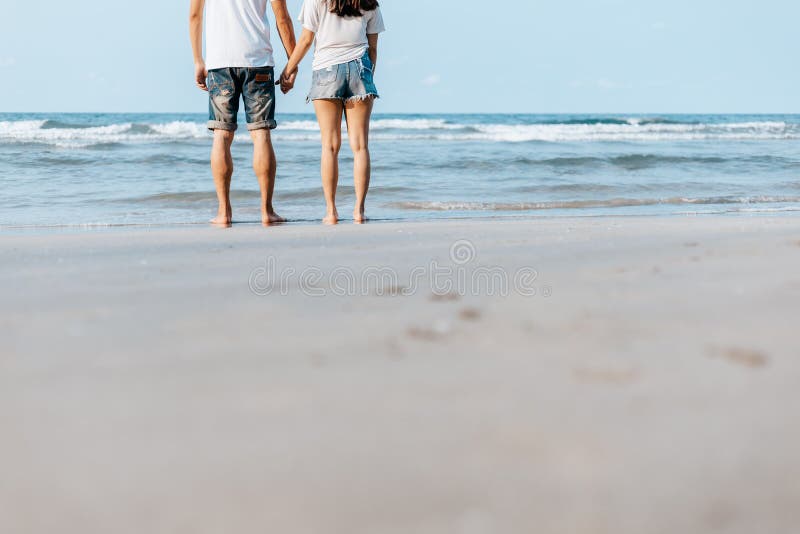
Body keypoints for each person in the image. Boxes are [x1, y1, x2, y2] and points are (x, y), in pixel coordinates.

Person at [189, 0, 298, 227]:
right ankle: (267, 211)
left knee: (221, 135)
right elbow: (283, 18)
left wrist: (198, 60)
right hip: (257, 61)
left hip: (219, 63)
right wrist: (292, 62)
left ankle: (223, 212)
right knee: (261, 134)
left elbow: (195, 16)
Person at [279, 0, 385, 224]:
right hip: (360, 67)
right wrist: (367, 75)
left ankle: (331, 212)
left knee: (329, 145)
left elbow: (306, 40)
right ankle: (359, 211)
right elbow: (373, 48)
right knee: (360, 146)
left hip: (326, 69)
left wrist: (288, 69)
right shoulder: (370, 3)